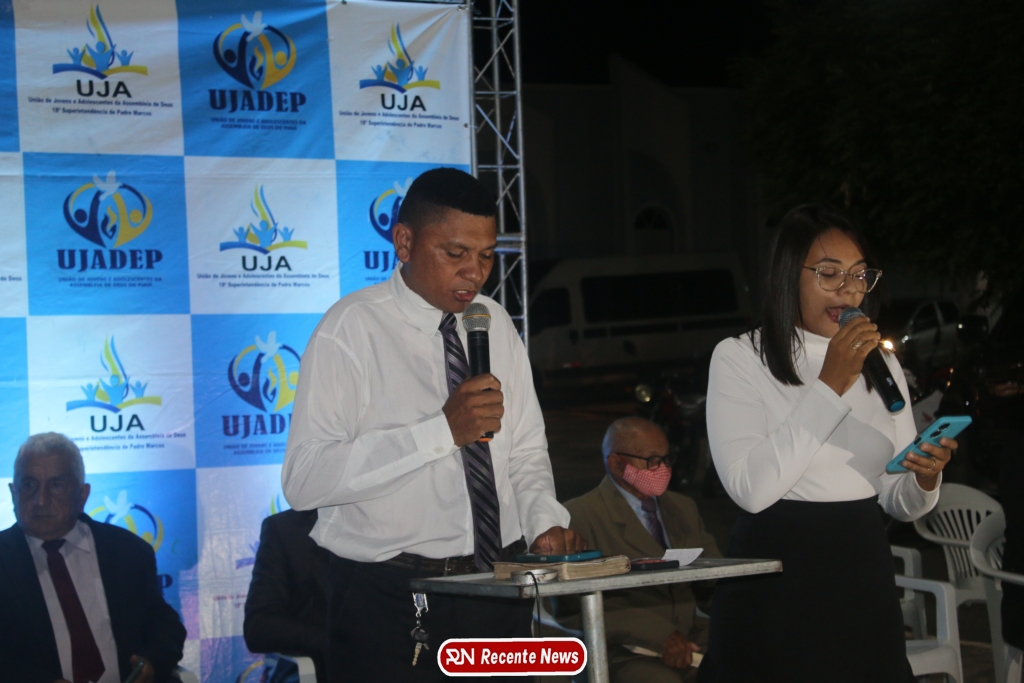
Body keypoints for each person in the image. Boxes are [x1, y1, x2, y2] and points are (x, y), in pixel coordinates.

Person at [281, 167, 584, 683]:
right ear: (404, 242)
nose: (475, 273)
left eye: (486, 255)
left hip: (497, 588)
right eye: (455, 253)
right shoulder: (351, 329)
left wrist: (542, 522)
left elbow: (526, 451)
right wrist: (441, 431)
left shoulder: (494, 322)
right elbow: (303, 479)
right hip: (389, 599)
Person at [696, 205, 957, 682]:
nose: (849, 289)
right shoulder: (740, 358)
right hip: (777, 573)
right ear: (786, 276)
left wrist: (925, 478)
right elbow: (750, 489)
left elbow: (897, 501)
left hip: (861, 569)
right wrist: (830, 385)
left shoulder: (882, 364)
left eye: (859, 275)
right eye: (829, 273)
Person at [0, 433, 186, 683]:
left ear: (82, 495)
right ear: (13, 492)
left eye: (56, 485)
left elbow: (163, 624)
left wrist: (151, 662)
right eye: (29, 484)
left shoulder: (128, 551)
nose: (40, 500)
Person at [564, 417, 721, 683]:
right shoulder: (579, 516)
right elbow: (571, 606)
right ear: (616, 464)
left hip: (692, 638)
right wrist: (660, 635)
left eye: (666, 459)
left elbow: (714, 578)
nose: (662, 469)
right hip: (624, 650)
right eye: (651, 460)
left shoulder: (682, 508)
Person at [244, 509, 331, 683]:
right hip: (323, 668)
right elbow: (258, 627)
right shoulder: (286, 528)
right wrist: (337, 642)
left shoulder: (385, 527)